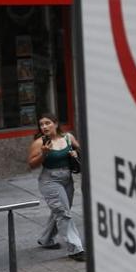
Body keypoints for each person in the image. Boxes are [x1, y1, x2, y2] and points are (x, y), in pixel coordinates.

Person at [28, 112, 85, 262]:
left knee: (61, 210)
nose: (44, 127)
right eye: (41, 124)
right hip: (50, 181)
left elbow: (82, 152)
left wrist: (75, 154)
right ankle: (76, 249)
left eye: (47, 123)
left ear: (56, 124)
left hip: (67, 179)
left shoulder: (68, 137)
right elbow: (32, 164)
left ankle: (46, 239)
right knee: (63, 213)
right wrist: (43, 154)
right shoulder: (40, 143)